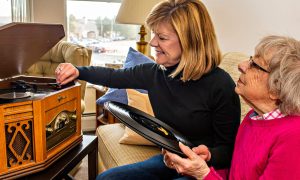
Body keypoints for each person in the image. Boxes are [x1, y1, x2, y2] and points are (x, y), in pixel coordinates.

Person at [55, 0, 241, 179]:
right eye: (154, 34)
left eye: (162, 37)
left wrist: (208, 156)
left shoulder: (221, 86)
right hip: (171, 160)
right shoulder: (154, 73)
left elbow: (228, 150)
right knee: (107, 178)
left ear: (189, 42)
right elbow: (112, 76)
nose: (152, 42)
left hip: (204, 169)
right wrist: (77, 70)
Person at [164, 35, 300, 179]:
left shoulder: (294, 137)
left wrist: (203, 174)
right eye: (250, 59)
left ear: (276, 90)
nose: (241, 65)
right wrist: (207, 158)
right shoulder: (254, 117)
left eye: (254, 64)